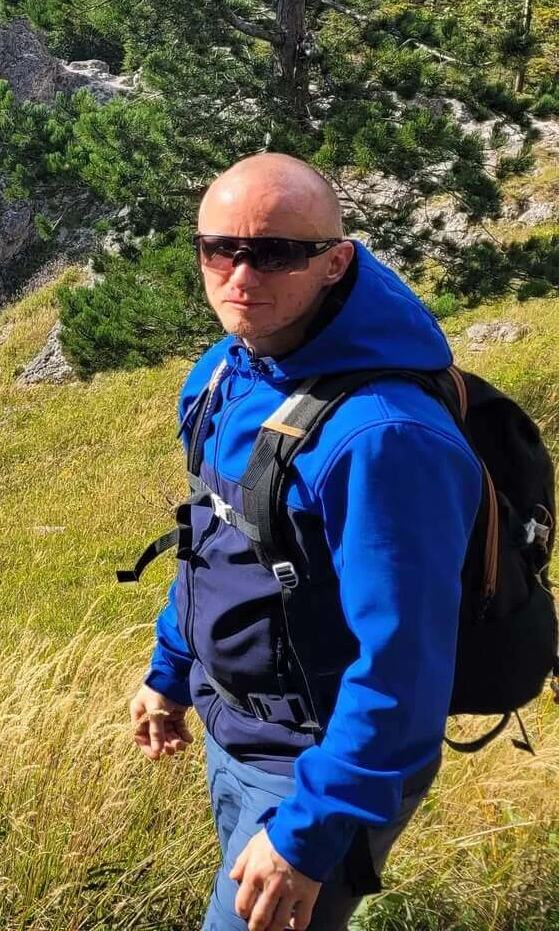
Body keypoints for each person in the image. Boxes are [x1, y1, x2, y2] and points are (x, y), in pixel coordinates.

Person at [129, 153, 481, 931]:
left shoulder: (383, 437)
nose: (240, 274)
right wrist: (172, 670)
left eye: (276, 252)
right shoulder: (227, 372)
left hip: (314, 765)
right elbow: (213, 537)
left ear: (335, 262)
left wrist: (311, 828)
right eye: (219, 249)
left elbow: (403, 666)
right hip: (235, 727)